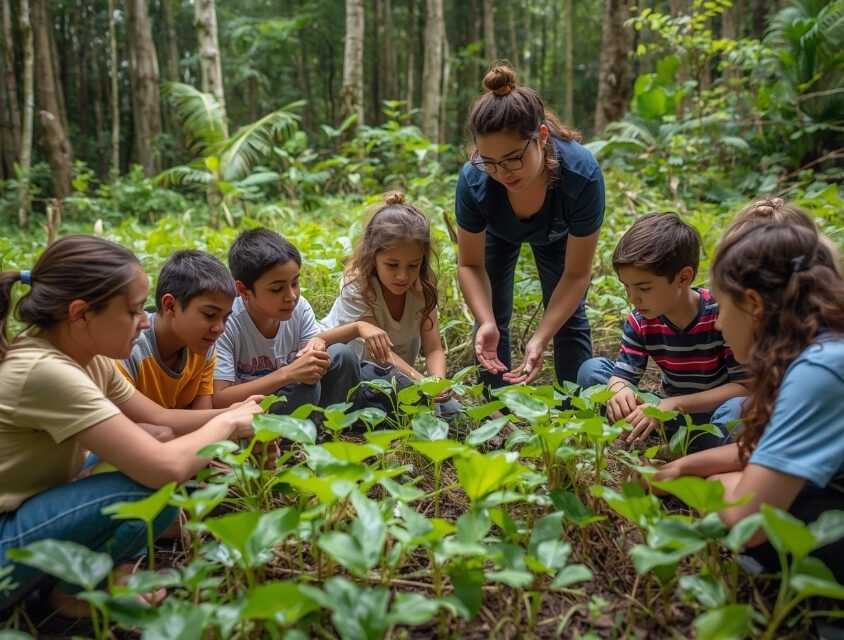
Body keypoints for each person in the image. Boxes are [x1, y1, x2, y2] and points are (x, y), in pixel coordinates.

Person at [0, 236, 262, 615]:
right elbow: (164, 467)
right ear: (81, 314)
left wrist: (239, 415)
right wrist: (228, 421)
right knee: (153, 482)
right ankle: (69, 594)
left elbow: (157, 418)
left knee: (155, 440)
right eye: (134, 310)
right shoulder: (45, 371)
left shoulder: (88, 358)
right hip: (7, 538)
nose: (144, 321)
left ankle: (69, 583)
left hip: (29, 517)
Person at [652, 223, 844, 582]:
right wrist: (681, 468)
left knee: (765, 534)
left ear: (753, 303)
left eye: (723, 307)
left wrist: (709, 484)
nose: (720, 324)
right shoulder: (823, 350)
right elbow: (759, 448)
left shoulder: (819, 370)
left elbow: (750, 523)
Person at [455, 63, 605, 389]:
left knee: (568, 318)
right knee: (493, 316)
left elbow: (577, 275)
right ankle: (496, 410)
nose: (502, 172)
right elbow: (469, 264)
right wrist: (485, 321)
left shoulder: (581, 177)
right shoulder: (475, 179)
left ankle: (576, 408)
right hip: (498, 228)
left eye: (512, 158)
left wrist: (540, 338)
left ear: (541, 136)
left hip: (556, 229)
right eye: (489, 161)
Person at [577, 212, 747, 450]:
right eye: (627, 287)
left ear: (683, 278)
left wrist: (672, 405)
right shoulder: (640, 320)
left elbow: (742, 385)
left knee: (738, 408)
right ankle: (671, 440)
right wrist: (618, 389)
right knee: (592, 370)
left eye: (644, 288)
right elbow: (622, 375)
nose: (633, 298)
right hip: (664, 412)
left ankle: (696, 446)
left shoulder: (720, 314)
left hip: (712, 412)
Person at [320, 192, 458, 413]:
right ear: (373, 257)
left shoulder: (422, 290)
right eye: (392, 265)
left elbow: (433, 349)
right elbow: (381, 354)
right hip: (352, 376)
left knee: (453, 412)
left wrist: (438, 383)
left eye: (413, 265)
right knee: (426, 409)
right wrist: (423, 383)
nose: (403, 276)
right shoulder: (357, 285)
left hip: (396, 375)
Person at [212, 229, 363, 416]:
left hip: (297, 393)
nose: (291, 296)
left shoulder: (299, 308)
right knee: (305, 385)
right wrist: (287, 374)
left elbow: (313, 355)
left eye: (294, 283)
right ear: (243, 290)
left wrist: (314, 354)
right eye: (277, 289)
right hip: (256, 410)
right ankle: (287, 436)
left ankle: (331, 426)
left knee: (340, 355)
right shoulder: (227, 322)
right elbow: (219, 398)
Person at [116, 250, 236, 440]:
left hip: (171, 446)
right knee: (160, 434)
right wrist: (233, 417)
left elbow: (202, 424)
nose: (220, 328)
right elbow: (127, 429)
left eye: (226, 317)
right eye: (209, 315)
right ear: (171, 306)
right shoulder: (126, 350)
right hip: (120, 448)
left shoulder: (204, 349)